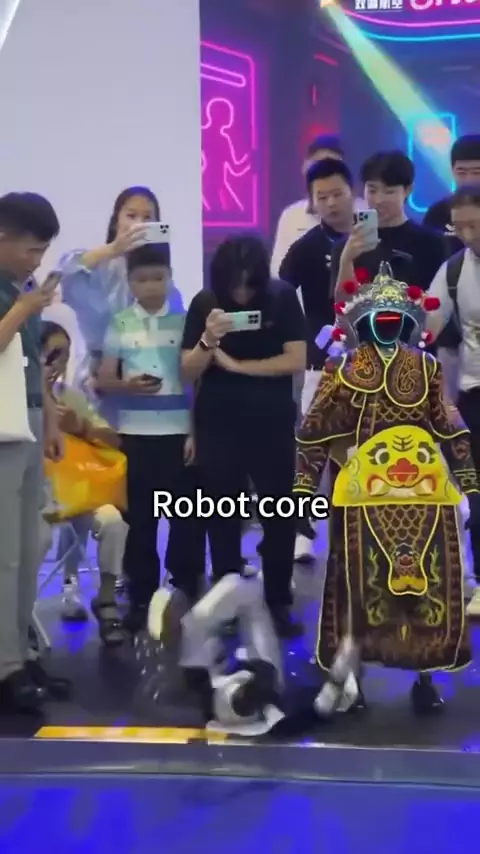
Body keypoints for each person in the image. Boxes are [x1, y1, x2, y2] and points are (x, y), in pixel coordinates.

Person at [291, 263, 480, 724]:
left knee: (425, 582)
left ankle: (425, 675)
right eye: (381, 317)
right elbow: (314, 432)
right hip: (360, 492)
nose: (389, 324)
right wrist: (302, 492)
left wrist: (470, 482)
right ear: (364, 322)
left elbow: (449, 424)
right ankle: (351, 678)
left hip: (422, 494)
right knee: (357, 584)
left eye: (396, 317)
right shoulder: (341, 369)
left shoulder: (426, 367)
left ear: (409, 322)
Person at [181, 235, 306, 638]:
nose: (241, 293)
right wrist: (208, 339)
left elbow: (296, 359)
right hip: (218, 421)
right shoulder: (205, 303)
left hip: (272, 421)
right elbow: (187, 370)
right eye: (234, 285)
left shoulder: (281, 298)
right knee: (222, 513)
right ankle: (226, 597)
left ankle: (278, 601)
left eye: (249, 284)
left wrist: (238, 366)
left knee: (280, 513)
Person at [97, 243, 205, 634]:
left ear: (170, 277)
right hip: (135, 437)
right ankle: (140, 598)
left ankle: (184, 591)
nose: (151, 286)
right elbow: (103, 378)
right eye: (142, 279)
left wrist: (195, 432)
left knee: (186, 518)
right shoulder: (120, 322)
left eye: (158, 277)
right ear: (130, 282)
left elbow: (197, 382)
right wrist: (126, 385)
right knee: (139, 522)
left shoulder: (185, 322)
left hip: (178, 436)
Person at [0, 192, 70, 714]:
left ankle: (22, 650)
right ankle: (6, 666)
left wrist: (49, 418)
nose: (36, 261)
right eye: (31, 250)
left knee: (28, 550)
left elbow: (31, 365)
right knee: (5, 555)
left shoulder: (18, 290)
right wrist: (24, 309)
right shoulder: (18, 299)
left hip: (24, 426)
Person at [279, 158, 355, 562]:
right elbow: (279, 292)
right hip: (320, 362)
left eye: (337, 194)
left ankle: (349, 529)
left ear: (353, 192)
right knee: (312, 448)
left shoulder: (374, 239)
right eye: (321, 197)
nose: (331, 204)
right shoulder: (306, 247)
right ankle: (301, 530)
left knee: (357, 449)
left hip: (373, 362)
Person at [41, 321, 128, 644]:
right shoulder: (16, 398)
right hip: (34, 498)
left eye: (64, 354)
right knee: (35, 536)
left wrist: (81, 426)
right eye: (51, 354)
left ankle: (105, 600)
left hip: (78, 492)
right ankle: (20, 617)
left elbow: (114, 440)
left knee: (113, 522)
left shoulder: (71, 397)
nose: (59, 362)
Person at [58, 185, 183, 390]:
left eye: (147, 218)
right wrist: (114, 248)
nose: (139, 224)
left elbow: (174, 318)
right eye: (131, 216)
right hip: (95, 375)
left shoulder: (160, 274)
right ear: (116, 221)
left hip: (148, 369)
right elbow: (64, 273)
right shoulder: (98, 267)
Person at [425, 185, 480, 616]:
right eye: (458, 227)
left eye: (474, 225)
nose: (467, 235)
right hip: (474, 391)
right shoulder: (455, 270)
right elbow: (426, 323)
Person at [146, 574, 285, 734]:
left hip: (221, 688)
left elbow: (239, 588)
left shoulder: (192, 630)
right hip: (224, 698)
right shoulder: (179, 653)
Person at [332, 151, 446, 299]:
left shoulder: (432, 243)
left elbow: (438, 302)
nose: (379, 200)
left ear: (408, 190)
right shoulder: (347, 246)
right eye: (372, 190)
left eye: (389, 192)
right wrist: (346, 259)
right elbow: (341, 305)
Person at [271, 134, 365, 277]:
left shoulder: (366, 212)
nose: (331, 203)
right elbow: (278, 274)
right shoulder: (292, 216)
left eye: (331, 167)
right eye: (322, 197)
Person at [423, 134, 480, 254]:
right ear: (452, 171)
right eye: (462, 172)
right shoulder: (438, 213)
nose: (469, 179)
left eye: (477, 172)